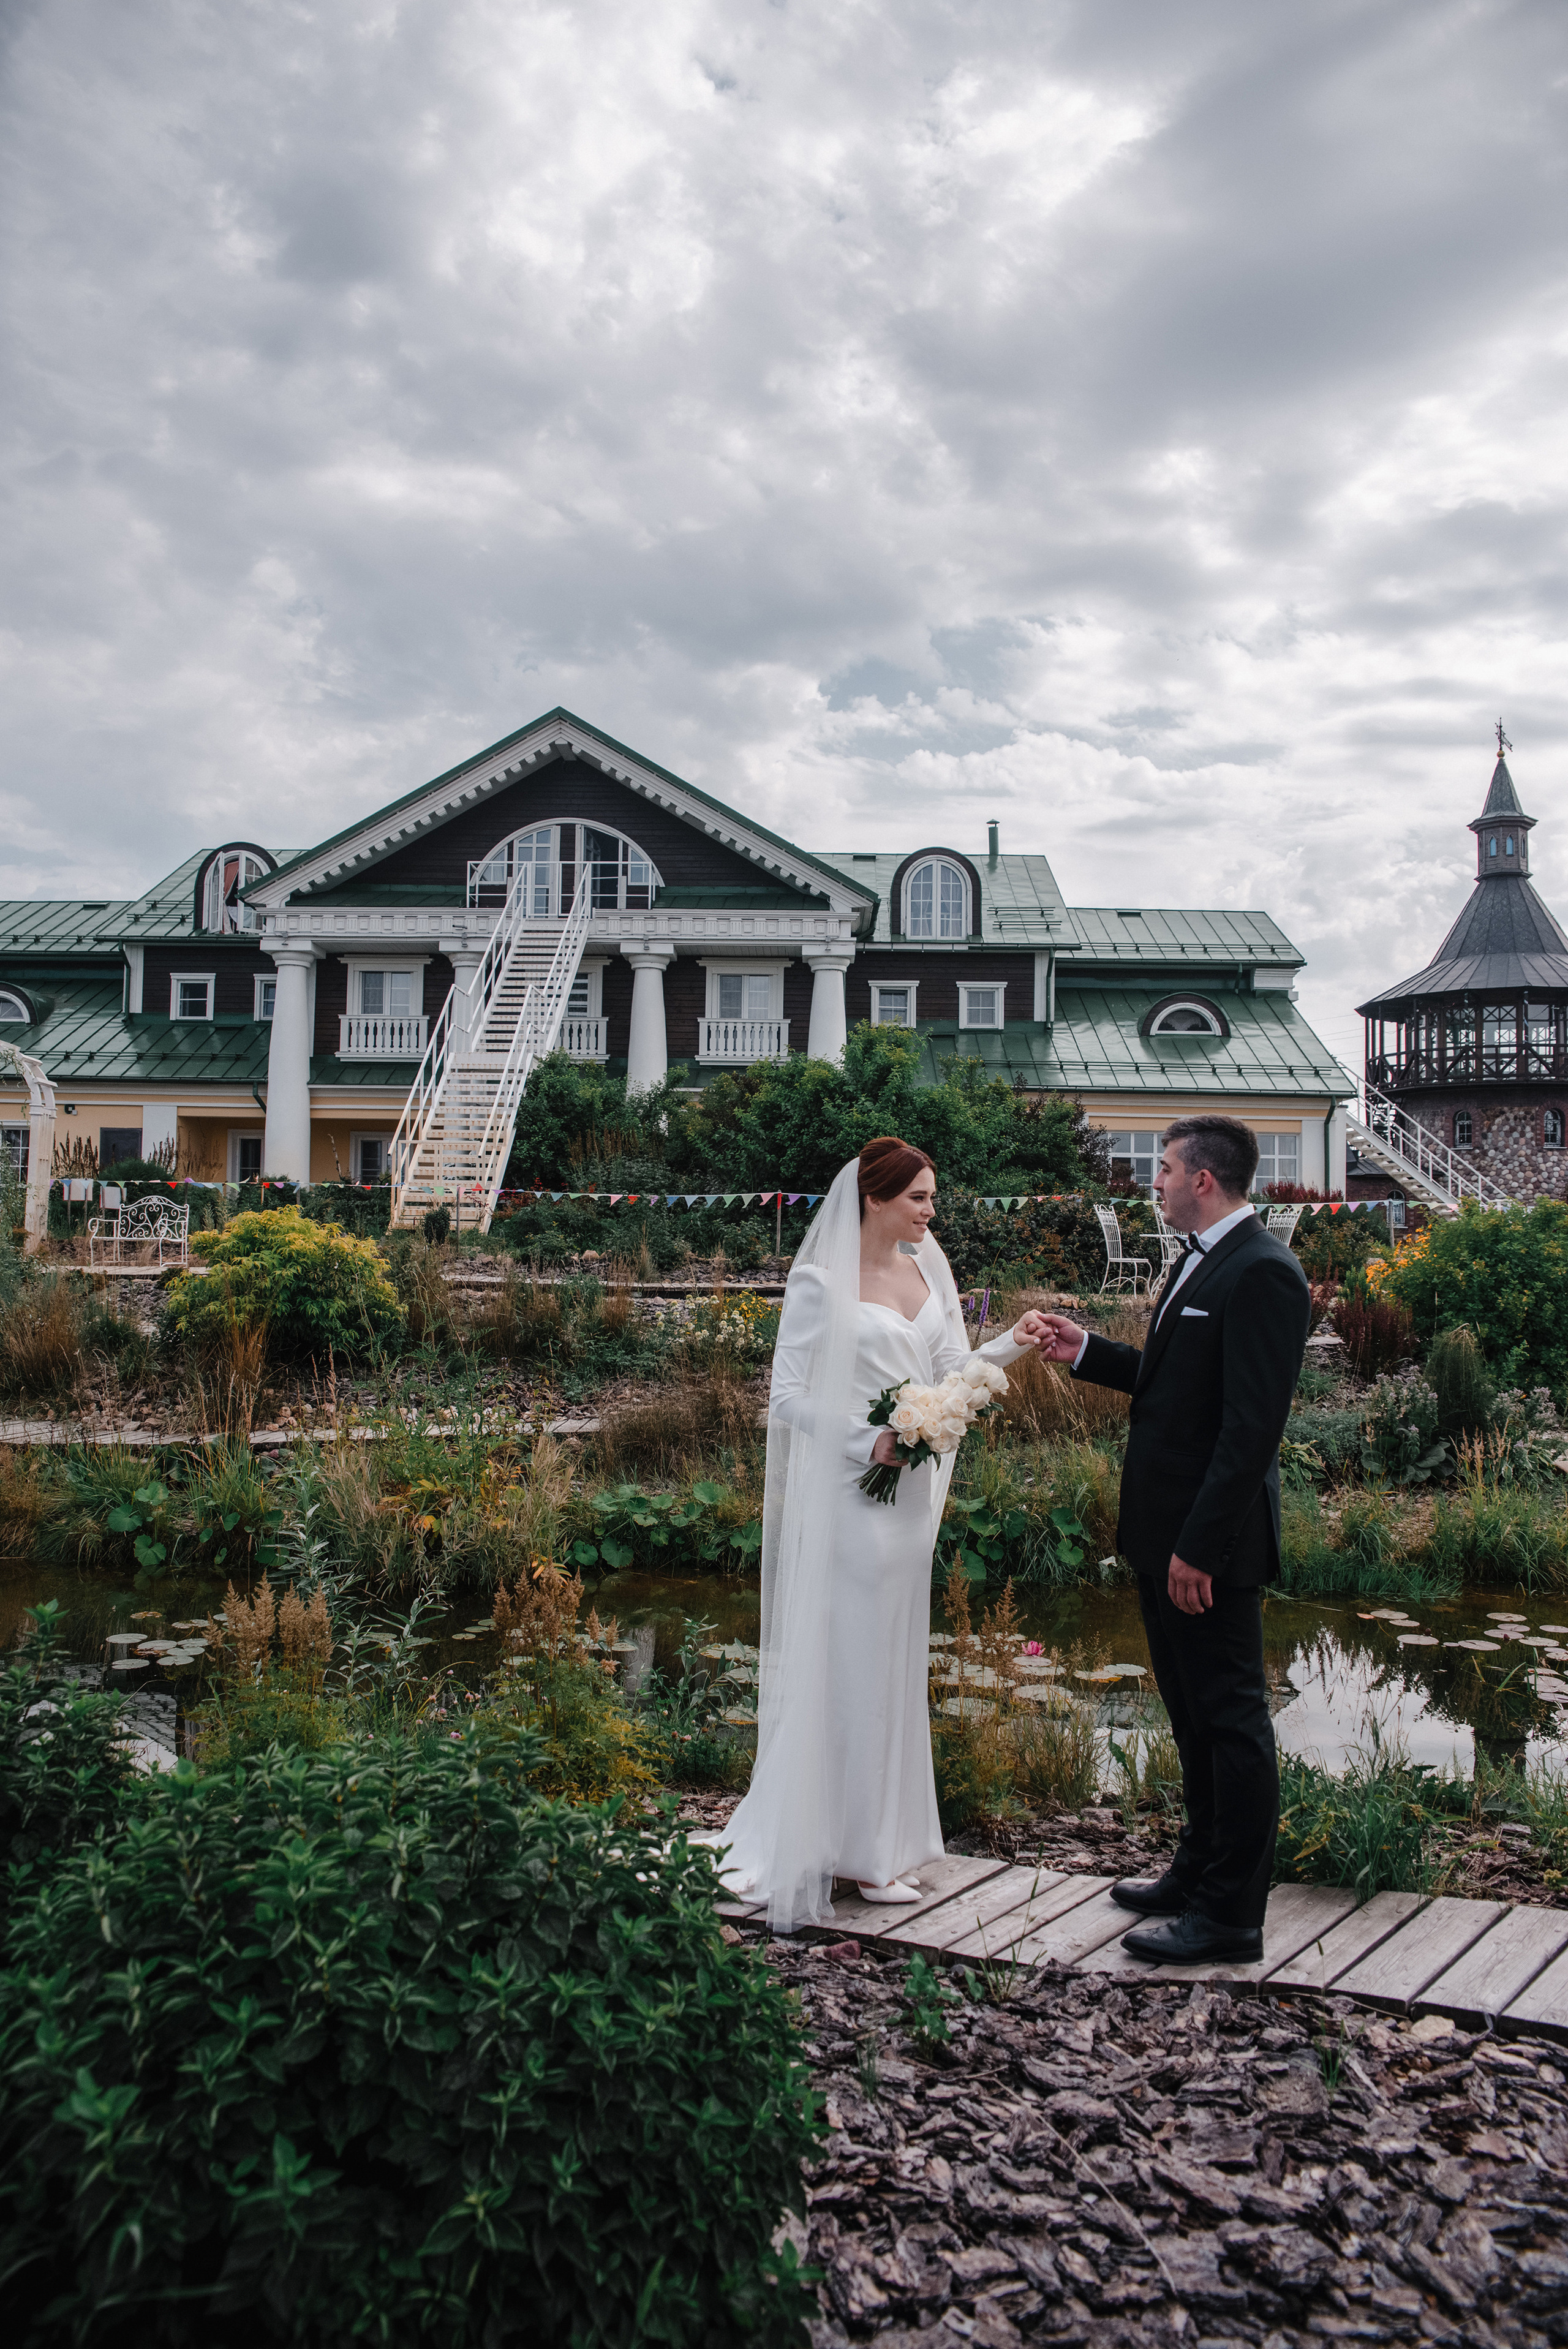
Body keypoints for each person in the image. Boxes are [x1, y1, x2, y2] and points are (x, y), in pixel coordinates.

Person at [718, 1138, 1052, 1932]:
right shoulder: (818, 1283)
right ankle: (819, 1843)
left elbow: (955, 1375)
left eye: (933, 1199)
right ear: (875, 1197)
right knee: (846, 1659)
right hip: (848, 1493)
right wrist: (865, 1441)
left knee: (892, 1663)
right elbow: (789, 1398)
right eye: (920, 1199)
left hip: (906, 1503)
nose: (931, 1213)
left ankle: (877, 1851)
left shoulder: (925, 1270)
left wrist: (1015, 1341)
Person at [1036, 1115, 1310, 1965]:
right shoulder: (1201, 1261)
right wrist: (1089, 1353)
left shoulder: (1263, 1272)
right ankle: (1197, 1868)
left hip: (1207, 1547)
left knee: (1232, 1720)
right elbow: (1173, 1387)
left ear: (1203, 1179)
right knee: (1191, 1715)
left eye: (1161, 1169)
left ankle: (1231, 1915)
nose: (1151, 1181)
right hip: (1165, 1537)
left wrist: (1200, 1547)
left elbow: (1249, 1431)